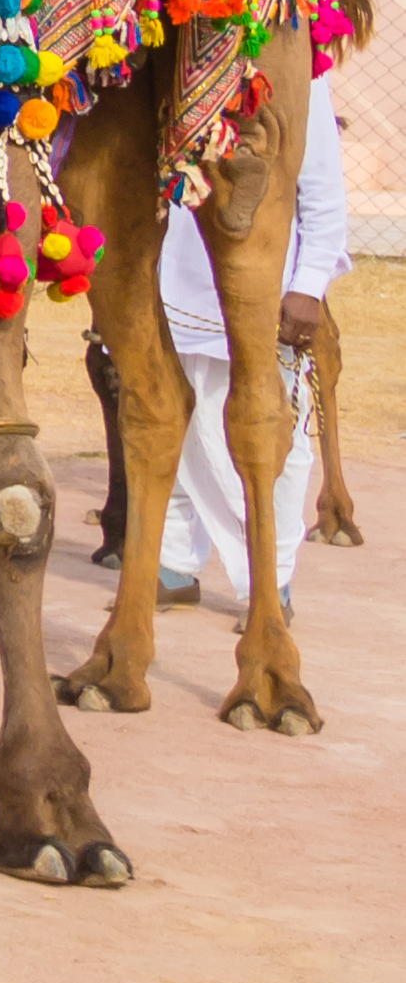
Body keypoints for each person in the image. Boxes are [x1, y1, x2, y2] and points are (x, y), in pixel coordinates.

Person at [157, 62, 346, 611]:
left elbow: (323, 190)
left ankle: (270, 577)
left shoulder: (297, 68)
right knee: (168, 429)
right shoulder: (163, 53)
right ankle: (172, 563)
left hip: (259, 291)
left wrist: (309, 285)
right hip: (165, 284)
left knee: (267, 442)